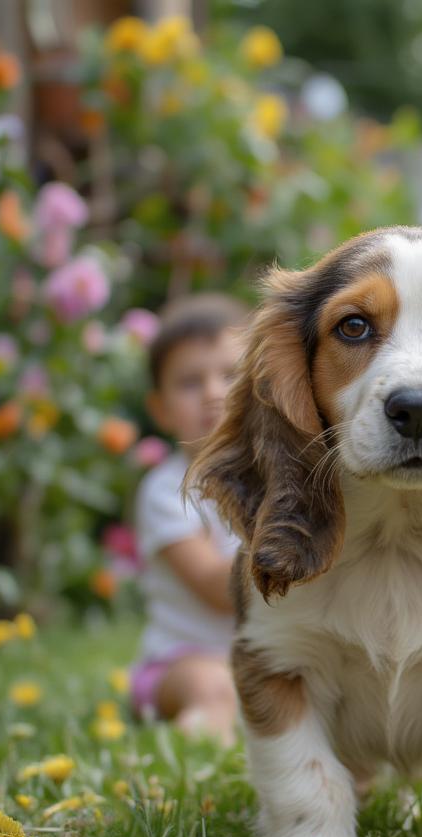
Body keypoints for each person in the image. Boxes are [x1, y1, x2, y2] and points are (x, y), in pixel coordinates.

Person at [130, 293, 248, 744]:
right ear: (159, 410)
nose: (213, 392)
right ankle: (204, 749)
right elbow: (216, 589)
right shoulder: (165, 490)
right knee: (213, 686)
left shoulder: (277, 477)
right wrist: (294, 550)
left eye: (230, 375)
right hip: (180, 662)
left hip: (262, 660)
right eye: (189, 382)